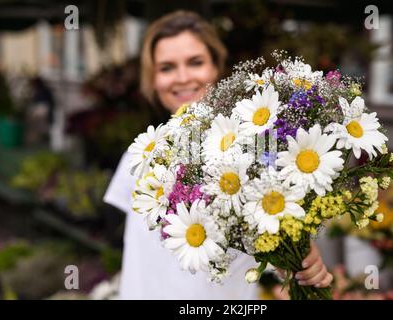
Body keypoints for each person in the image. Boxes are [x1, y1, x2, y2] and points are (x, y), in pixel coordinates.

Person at [104, 10, 333, 300]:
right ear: (152, 79)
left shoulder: (255, 154)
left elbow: (277, 240)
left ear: (216, 69)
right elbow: (141, 257)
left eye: (195, 62)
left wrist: (299, 255)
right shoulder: (138, 157)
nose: (183, 77)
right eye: (166, 67)